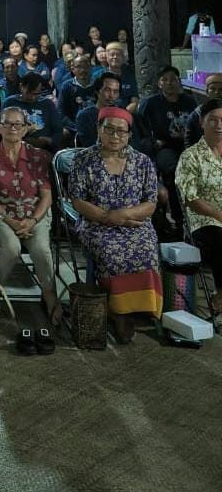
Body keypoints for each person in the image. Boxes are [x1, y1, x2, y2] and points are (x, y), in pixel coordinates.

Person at [69, 107, 162, 343]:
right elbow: (77, 200)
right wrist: (107, 217)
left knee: (147, 249)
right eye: (109, 129)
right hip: (96, 223)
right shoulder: (83, 160)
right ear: (98, 130)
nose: (115, 135)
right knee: (111, 251)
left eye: (121, 131)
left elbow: (150, 202)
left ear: (129, 134)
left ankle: (142, 307)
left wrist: (123, 215)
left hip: (135, 222)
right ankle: (119, 311)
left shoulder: (142, 162)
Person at [0, 107, 60, 324]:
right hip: (1, 216)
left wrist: (32, 220)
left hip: (35, 214)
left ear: (25, 129)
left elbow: (47, 197)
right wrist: (11, 221)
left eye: (18, 124)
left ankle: (49, 294)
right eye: (8, 123)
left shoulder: (38, 156)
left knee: (41, 249)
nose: (13, 128)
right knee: (12, 247)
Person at [176, 99, 222, 312]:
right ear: (202, 122)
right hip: (204, 219)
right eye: (213, 120)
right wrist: (219, 215)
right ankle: (221, 293)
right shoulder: (190, 156)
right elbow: (190, 198)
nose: (219, 125)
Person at [139, 65, 197, 226]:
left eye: (173, 79)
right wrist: (153, 143)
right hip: (164, 147)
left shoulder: (189, 101)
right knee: (173, 170)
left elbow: (197, 125)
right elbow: (140, 128)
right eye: (165, 80)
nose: (170, 83)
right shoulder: (150, 103)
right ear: (159, 83)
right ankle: (178, 216)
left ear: (179, 82)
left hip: (187, 146)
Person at [2, 72, 63, 151]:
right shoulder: (10, 103)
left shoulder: (47, 104)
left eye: (37, 94)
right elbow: (3, 130)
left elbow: (58, 130)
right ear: (21, 87)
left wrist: (49, 140)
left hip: (45, 148)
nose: (33, 97)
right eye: (29, 93)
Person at [57, 55, 95, 136]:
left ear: (91, 68)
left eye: (86, 66)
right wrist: (75, 127)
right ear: (72, 69)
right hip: (74, 127)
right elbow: (61, 112)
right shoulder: (67, 86)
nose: (83, 70)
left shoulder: (97, 85)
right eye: (79, 67)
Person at [185, 73, 222, 148]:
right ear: (207, 92)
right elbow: (189, 139)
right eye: (213, 89)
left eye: (221, 89)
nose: (217, 92)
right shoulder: (197, 114)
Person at [105, 41, 138, 112]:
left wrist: (123, 114)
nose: (115, 57)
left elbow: (134, 101)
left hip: (126, 113)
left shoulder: (130, 75)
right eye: (112, 55)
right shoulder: (99, 76)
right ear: (106, 57)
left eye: (118, 55)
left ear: (123, 57)